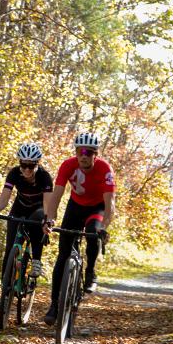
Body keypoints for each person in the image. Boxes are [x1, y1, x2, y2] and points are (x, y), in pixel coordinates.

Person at [42, 132, 115, 325]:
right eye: (80, 152)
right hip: (75, 207)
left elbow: (110, 203)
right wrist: (50, 219)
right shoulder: (67, 165)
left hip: (96, 208)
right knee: (63, 255)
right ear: (76, 152)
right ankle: (54, 305)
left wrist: (104, 227)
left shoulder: (104, 168)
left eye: (88, 152)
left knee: (92, 233)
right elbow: (56, 195)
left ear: (95, 154)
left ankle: (90, 271)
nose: (84, 156)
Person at [0, 142, 53, 281]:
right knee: (10, 247)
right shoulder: (14, 173)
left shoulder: (44, 177)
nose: (27, 169)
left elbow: (48, 203)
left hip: (38, 208)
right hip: (19, 207)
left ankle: (36, 260)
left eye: (31, 166)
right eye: (24, 165)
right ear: (19, 163)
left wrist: (47, 220)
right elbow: (4, 198)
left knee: (38, 219)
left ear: (37, 164)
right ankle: (5, 286)